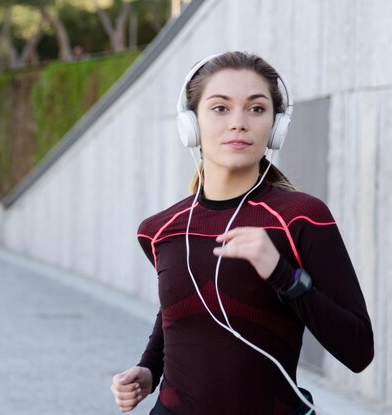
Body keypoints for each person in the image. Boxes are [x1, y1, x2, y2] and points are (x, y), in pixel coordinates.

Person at [110, 52, 374, 415]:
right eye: (220, 108)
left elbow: (358, 351)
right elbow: (178, 308)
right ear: (191, 124)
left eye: (256, 109)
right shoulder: (159, 230)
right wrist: (149, 369)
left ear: (275, 126)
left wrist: (283, 274)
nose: (239, 123)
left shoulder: (301, 217)